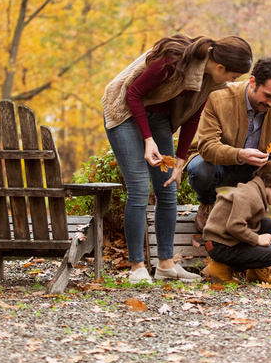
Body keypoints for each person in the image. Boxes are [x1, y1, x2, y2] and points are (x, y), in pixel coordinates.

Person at [102, 34, 253, 284]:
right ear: (220, 67)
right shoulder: (172, 61)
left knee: (168, 187)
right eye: (233, 76)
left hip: (157, 115)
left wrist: (181, 159)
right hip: (125, 111)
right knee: (139, 189)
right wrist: (148, 140)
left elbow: (193, 116)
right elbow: (134, 93)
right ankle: (137, 267)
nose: (232, 81)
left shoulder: (210, 80)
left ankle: (165, 265)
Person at [186, 56, 271, 275]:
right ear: (252, 82)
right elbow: (207, 146)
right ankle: (208, 205)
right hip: (223, 164)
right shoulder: (219, 97)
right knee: (199, 168)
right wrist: (239, 154)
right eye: (268, 96)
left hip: (260, 171)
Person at [201, 158, 271, 284]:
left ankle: (255, 273)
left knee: (268, 225)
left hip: (227, 240)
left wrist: (268, 265)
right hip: (219, 245)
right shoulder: (250, 196)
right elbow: (235, 226)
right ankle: (219, 269)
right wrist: (257, 239)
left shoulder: (256, 191)